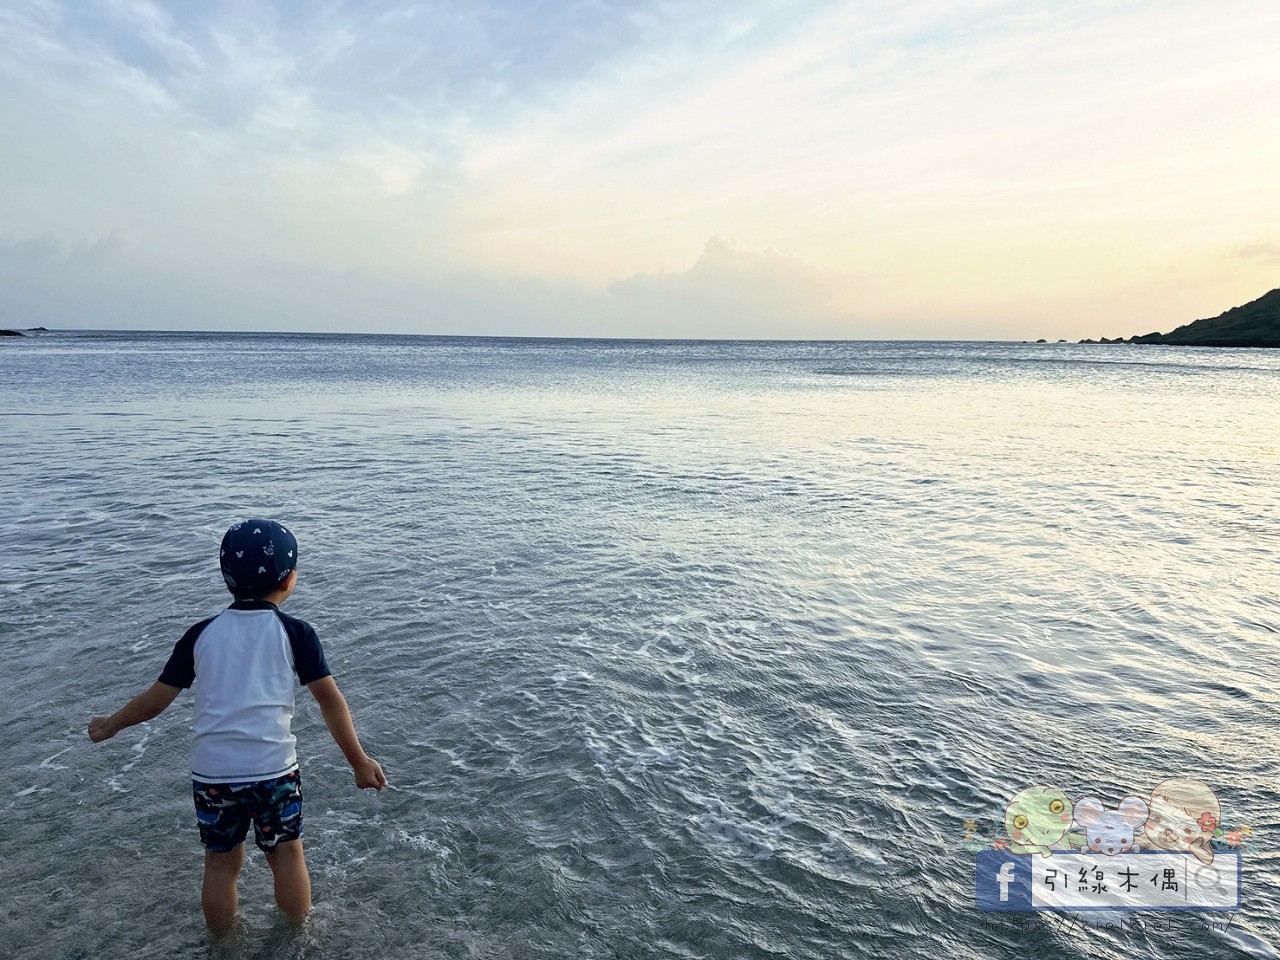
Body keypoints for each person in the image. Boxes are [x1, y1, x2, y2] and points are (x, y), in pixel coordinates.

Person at [88, 519, 387, 936]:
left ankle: (225, 945)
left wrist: (110, 724)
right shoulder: (296, 633)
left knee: (221, 862)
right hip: (273, 771)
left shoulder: (200, 635)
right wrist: (359, 761)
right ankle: (297, 936)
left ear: (226, 577)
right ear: (289, 580)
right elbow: (330, 701)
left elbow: (155, 701)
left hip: (213, 775)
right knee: (286, 854)